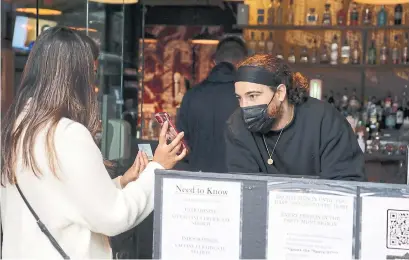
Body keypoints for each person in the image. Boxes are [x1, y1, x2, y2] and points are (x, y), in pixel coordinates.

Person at [0, 27, 187, 259]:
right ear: (76, 78)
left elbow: (64, 200)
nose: (93, 86)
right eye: (92, 74)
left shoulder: (18, 127)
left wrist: (123, 182)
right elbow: (114, 216)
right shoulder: (68, 134)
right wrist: (157, 167)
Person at [225, 54, 365, 180]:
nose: (244, 106)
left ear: (280, 93)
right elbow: (245, 188)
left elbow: (347, 183)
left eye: (252, 96)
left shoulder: (325, 121)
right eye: (239, 98)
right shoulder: (237, 126)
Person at [176, 36, 248, 172]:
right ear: (243, 62)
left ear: (215, 61)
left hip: (198, 182)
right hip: (236, 181)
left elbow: (180, 145)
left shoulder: (192, 95)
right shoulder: (248, 98)